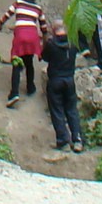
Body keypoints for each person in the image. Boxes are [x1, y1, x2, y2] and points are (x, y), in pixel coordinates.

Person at [42, 15, 85, 154]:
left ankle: (63, 141)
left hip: (55, 80)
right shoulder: (73, 43)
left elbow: (44, 57)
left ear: (54, 30)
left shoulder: (51, 44)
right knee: (72, 110)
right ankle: (77, 140)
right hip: (69, 79)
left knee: (57, 111)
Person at [0, 0, 45, 106]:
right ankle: (30, 86)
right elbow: (43, 25)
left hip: (20, 36)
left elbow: (7, 14)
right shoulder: (38, 8)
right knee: (29, 62)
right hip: (32, 36)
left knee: (16, 62)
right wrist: (44, 40)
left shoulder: (19, 3)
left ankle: (14, 93)